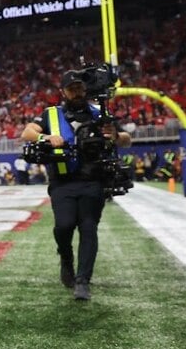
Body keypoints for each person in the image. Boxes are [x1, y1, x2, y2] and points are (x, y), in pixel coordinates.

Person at [21, 70, 131, 301]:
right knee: (64, 226)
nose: (77, 92)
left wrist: (114, 136)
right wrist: (46, 138)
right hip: (63, 181)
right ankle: (66, 258)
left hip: (93, 180)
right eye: (72, 89)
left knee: (88, 228)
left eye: (80, 88)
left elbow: (126, 139)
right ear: (63, 92)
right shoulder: (51, 115)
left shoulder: (99, 112)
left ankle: (83, 281)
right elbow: (27, 132)